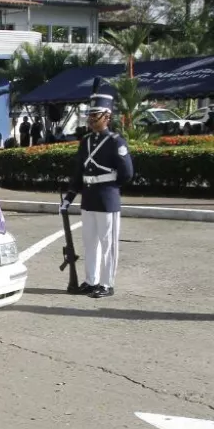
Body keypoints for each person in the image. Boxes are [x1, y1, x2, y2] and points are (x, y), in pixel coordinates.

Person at [62, 87, 134, 299]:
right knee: (90, 243)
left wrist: (109, 188)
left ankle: (107, 283)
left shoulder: (115, 141)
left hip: (106, 200)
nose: (92, 119)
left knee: (108, 245)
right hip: (89, 199)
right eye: (90, 115)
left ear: (107, 117)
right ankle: (91, 281)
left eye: (96, 115)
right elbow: (79, 173)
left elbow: (127, 174)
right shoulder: (86, 141)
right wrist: (69, 197)